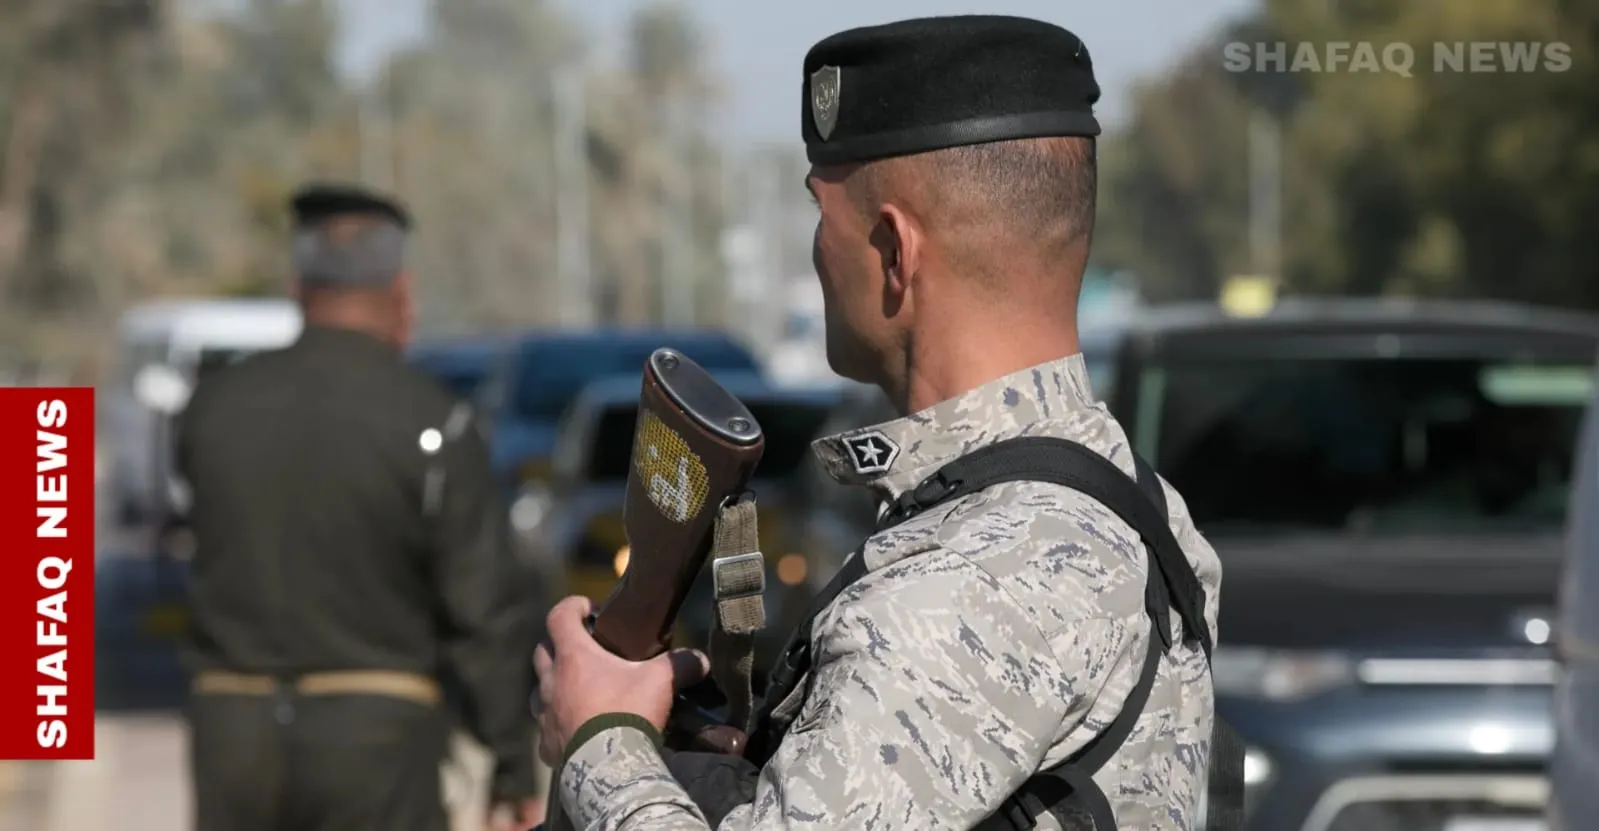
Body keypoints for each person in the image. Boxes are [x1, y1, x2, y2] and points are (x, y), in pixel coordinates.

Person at [532, 15, 1223, 831]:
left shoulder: (968, 579)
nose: (817, 255)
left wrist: (598, 738)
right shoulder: (1126, 495)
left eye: (821, 217)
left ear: (896, 251)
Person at [176, 183, 542, 831]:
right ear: (402, 294)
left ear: (297, 287)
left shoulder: (214, 410)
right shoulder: (435, 421)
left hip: (234, 736)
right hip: (377, 746)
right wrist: (511, 756)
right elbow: (481, 608)